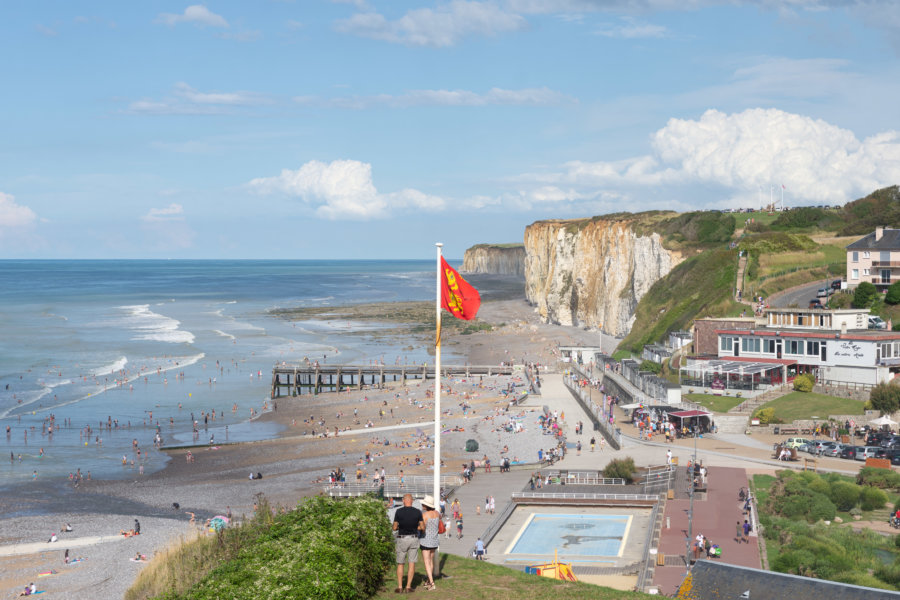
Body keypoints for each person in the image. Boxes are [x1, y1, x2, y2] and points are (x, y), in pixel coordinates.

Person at [392, 493, 423, 593]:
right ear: (412, 501)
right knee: (411, 563)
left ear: (404, 500)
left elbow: (394, 527)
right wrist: (415, 527)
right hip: (413, 538)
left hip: (402, 538)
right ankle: (408, 587)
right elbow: (422, 527)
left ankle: (400, 587)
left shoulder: (399, 511)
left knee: (400, 563)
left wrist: (401, 527)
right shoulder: (418, 512)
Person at [419, 495, 441, 591]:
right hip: (434, 540)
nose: (422, 505)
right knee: (430, 561)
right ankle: (428, 580)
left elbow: (421, 527)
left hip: (425, 540)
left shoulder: (425, 515)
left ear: (426, 505)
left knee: (426, 562)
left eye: (423, 504)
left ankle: (431, 583)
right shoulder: (437, 513)